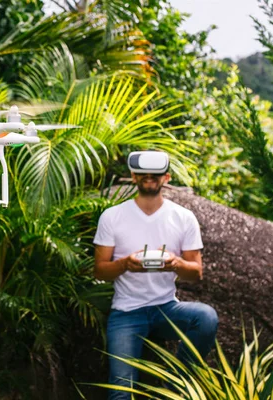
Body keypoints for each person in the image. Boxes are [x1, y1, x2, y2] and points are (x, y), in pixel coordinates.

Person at [93, 151, 218, 400]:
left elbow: (196, 273)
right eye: (143, 175)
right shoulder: (113, 216)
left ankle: (175, 386)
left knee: (206, 317)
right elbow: (100, 270)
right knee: (119, 391)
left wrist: (175, 263)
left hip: (166, 308)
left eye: (155, 175)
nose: (149, 178)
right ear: (133, 177)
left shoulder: (183, 218)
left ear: (166, 178)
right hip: (126, 312)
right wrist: (126, 264)